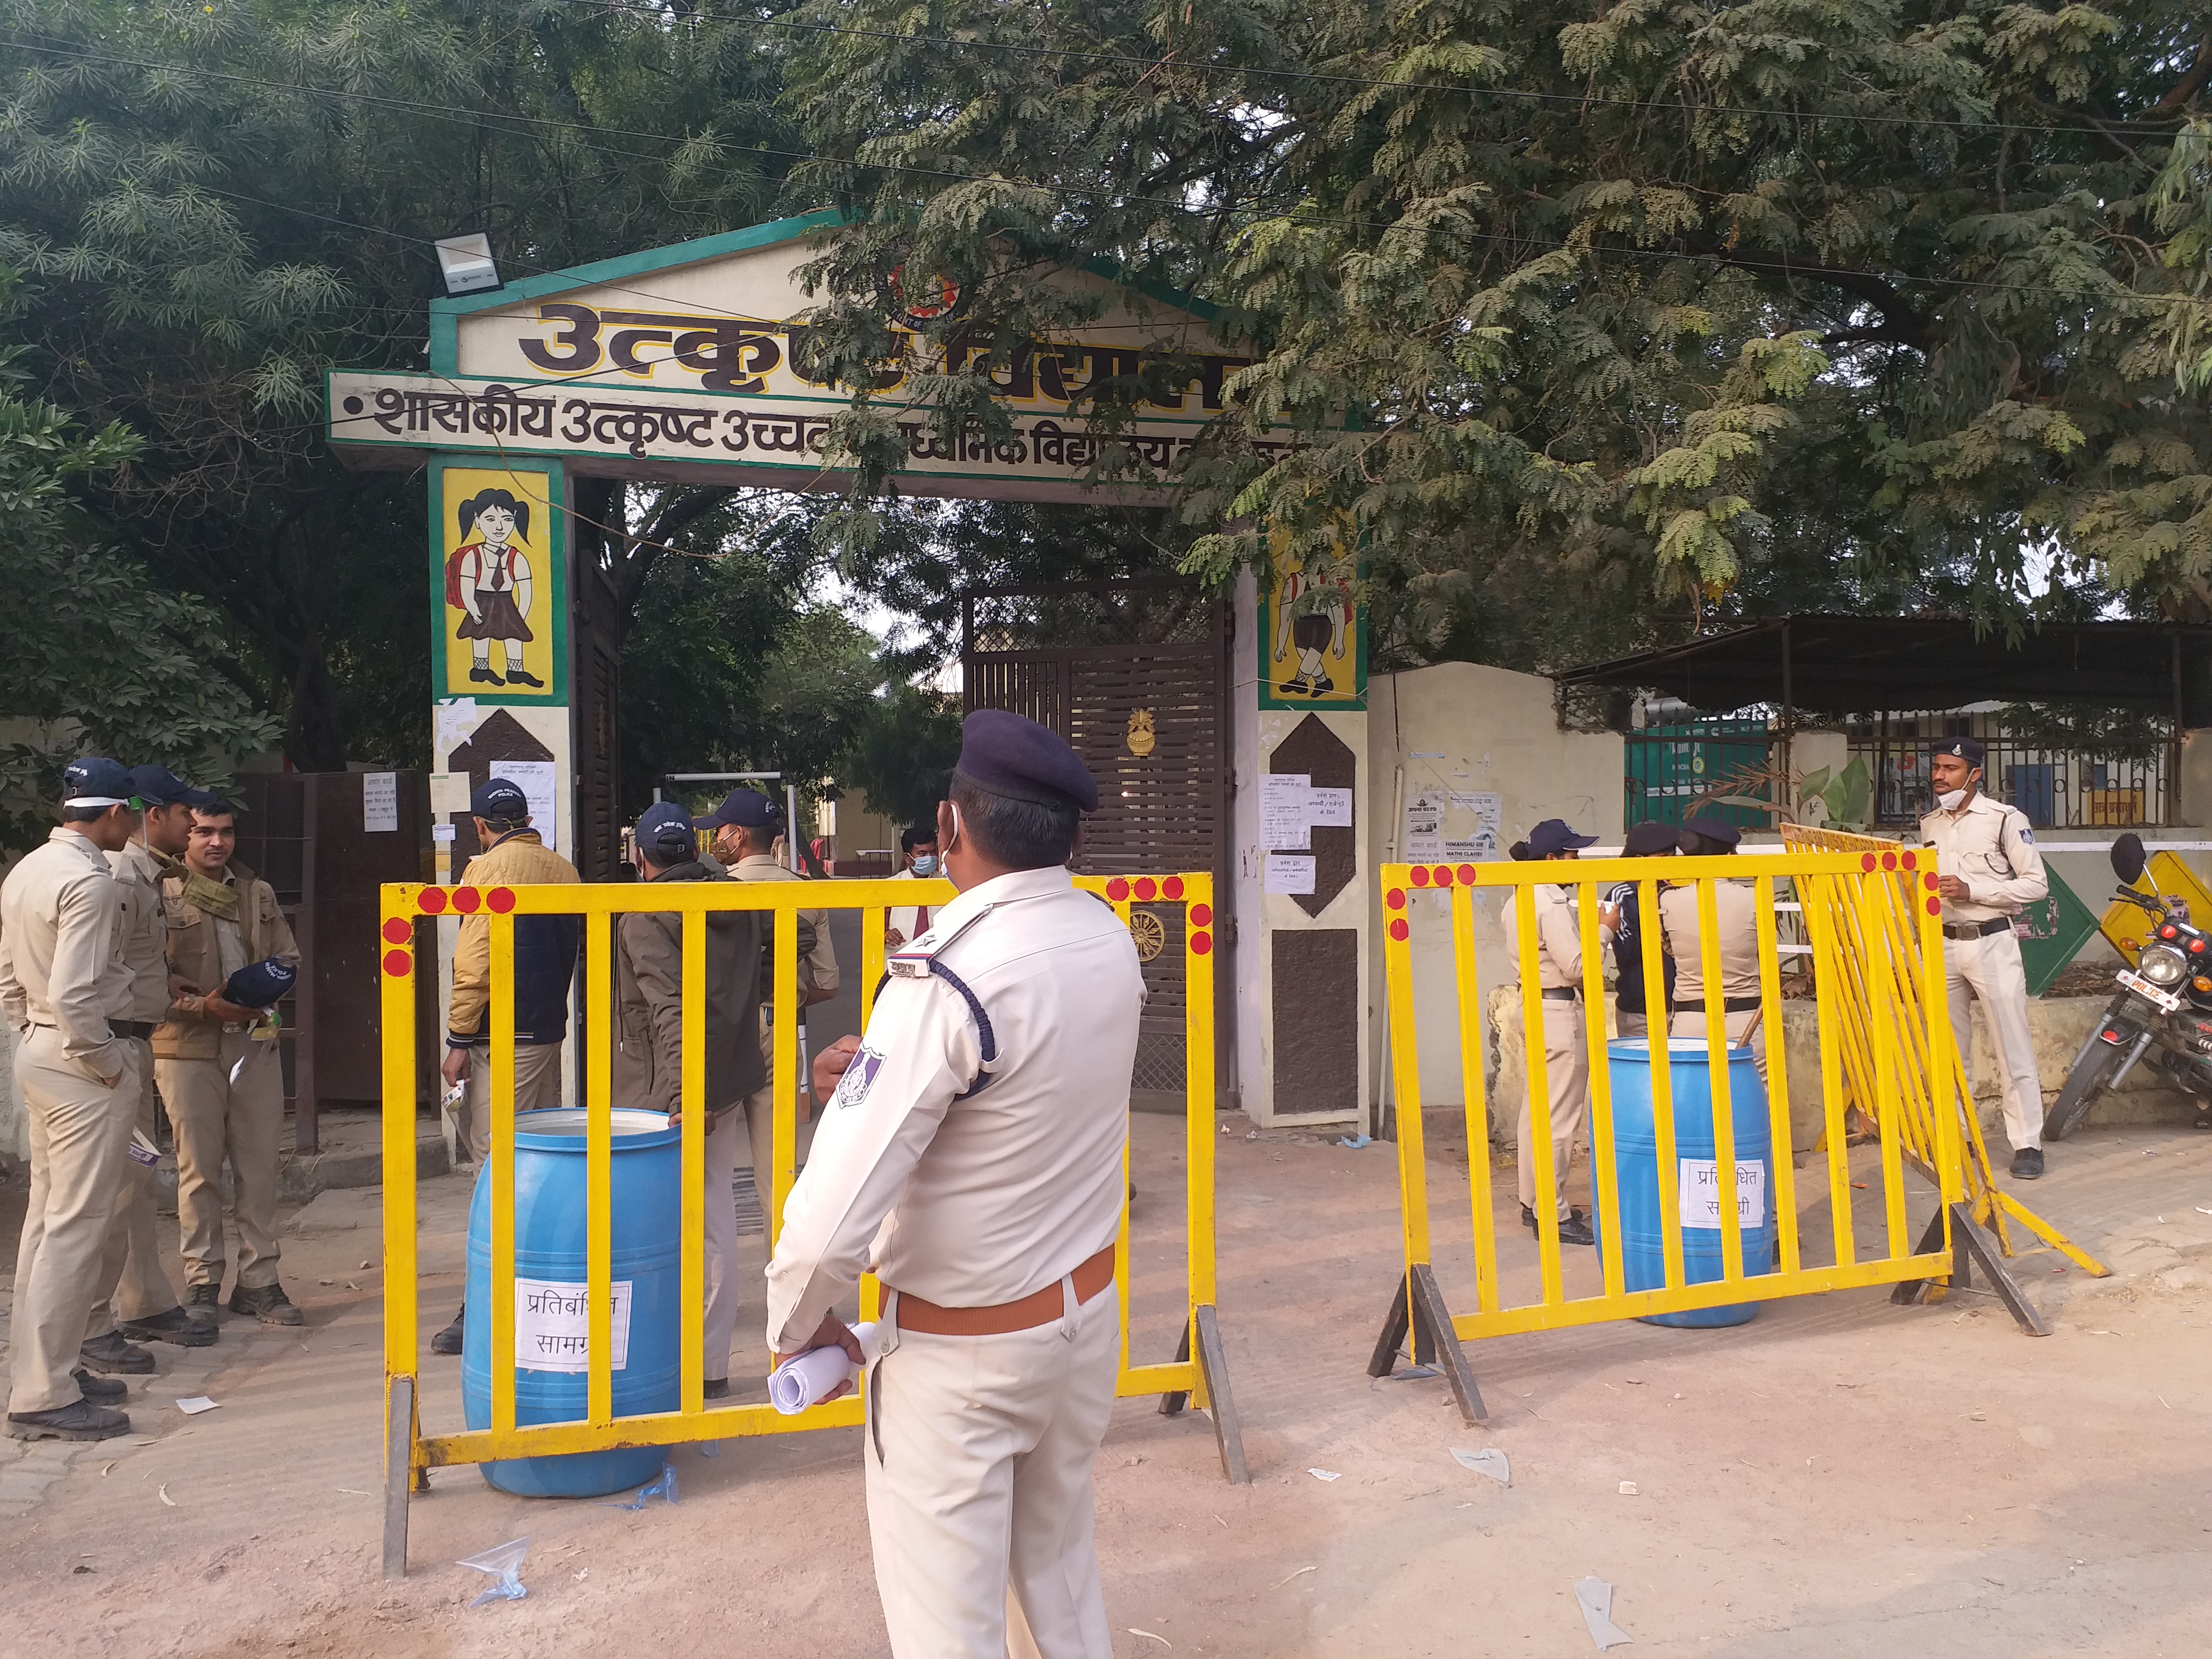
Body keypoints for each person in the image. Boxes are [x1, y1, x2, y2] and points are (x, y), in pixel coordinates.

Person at [769, 709, 1144, 1659]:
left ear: (948, 829)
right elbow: (1024, 1096)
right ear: (1074, 836)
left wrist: (802, 1323)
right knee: (1060, 1581)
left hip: (961, 1361)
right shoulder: (1107, 938)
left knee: (951, 1630)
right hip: (1081, 1321)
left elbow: (829, 1225)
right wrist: (872, 1077)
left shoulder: (948, 980)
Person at [3, 758, 143, 1441]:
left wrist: (40, 1035)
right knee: (74, 1230)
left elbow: (8, 981)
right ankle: (44, 1391)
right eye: (133, 813)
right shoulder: (90, 881)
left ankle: (43, 1369)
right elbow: (75, 993)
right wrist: (107, 1062)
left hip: (38, 1047)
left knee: (45, 1225)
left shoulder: (28, 869)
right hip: (81, 1058)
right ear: (115, 814)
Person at [613, 803, 764, 1399]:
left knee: (674, 1224)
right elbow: (798, 932)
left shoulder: (647, 914)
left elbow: (669, 1010)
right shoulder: (735, 898)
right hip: (725, 1076)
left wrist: (685, 1092)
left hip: (673, 1091)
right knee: (715, 1212)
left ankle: (674, 1369)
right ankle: (709, 1363)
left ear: (643, 858)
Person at [430, 777, 582, 1356]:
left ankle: (486, 1304)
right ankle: (536, 1290)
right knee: (540, 1164)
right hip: (546, 1035)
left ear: (481, 825)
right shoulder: (562, 868)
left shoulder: (487, 871)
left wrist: (458, 1039)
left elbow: (474, 963)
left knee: (498, 1168)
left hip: (501, 1037)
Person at [88, 767, 223, 1357]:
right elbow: (92, 971)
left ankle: (145, 1301)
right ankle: (96, 1326)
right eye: (182, 813)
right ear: (153, 815)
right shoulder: (118, 876)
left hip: (137, 1039)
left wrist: (164, 981)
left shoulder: (145, 873)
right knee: (113, 1192)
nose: (193, 824)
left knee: (138, 1184)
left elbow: (131, 960)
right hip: (112, 1047)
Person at [153, 800, 303, 1326]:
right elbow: (143, 978)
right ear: (185, 836)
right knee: (198, 1172)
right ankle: (202, 1283)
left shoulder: (255, 893)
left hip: (253, 1042)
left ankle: (261, 1282)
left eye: (226, 832)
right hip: (185, 1046)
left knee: (260, 1167)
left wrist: (263, 990)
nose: (217, 843)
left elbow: (289, 958)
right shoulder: (159, 890)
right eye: (203, 832)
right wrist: (201, 1007)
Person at [695, 788, 838, 1199]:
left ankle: (711, 1263)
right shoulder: (805, 891)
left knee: (708, 1166)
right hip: (779, 1024)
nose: (717, 840)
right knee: (779, 1166)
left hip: (721, 1030)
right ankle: (783, 1257)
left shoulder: (712, 893)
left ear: (737, 836)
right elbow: (828, 985)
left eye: (720, 831)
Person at [1921, 737, 2049, 1179]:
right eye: (1937, 767)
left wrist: (1973, 890)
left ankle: (2027, 1142)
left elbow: (2036, 885)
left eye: (1951, 769)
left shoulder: (2005, 820)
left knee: (2011, 1044)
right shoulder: (1930, 824)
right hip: (1942, 943)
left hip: (1992, 940)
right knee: (1949, 1049)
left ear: (1974, 773)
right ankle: (1958, 1135)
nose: (1940, 776)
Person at [1507, 818, 1619, 1249]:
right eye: (1572, 855)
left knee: (1537, 1112)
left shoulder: (1519, 893)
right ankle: (1551, 1213)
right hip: (1556, 1009)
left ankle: (1533, 1200)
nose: (1578, 861)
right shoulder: (1549, 902)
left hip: (1533, 1003)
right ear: (1551, 860)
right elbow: (1576, 966)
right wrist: (1604, 927)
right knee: (1558, 1120)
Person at [1660, 814, 1768, 1078]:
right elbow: (1764, 949)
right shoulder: (1755, 898)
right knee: (1754, 1102)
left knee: (1690, 1104)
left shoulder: (1667, 902)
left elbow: (1668, 946)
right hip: (1746, 1018)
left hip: (1690, 1021)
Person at [446, 488, 543, 687]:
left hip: (507, 602)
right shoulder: (473, 556)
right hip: (482, 600)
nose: (499, 527)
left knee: (514, 635)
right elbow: (467, 584)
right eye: (491, 519)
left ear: (515, 520)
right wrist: (472, 608)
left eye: (507, 520)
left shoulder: (516, 557)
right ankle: (481, 670)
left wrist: (522, 614)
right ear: (477, 521)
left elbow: (526, 589)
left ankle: (516, 671)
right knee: (480, 634)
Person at [1606, 821, 1679, 1040]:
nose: (1671, 862)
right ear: (1639, 860)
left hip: (1683, 1006)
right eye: (1663, 857)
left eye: (1673, 855)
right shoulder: (1621, 896)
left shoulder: (1681, 890)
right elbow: (1628, 952)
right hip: (1641, 1010)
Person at [884, 822, 943, 950]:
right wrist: (887, 934)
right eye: (922, 854)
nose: (930, 858)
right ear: (908, 858)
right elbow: (876, 926)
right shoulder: (891, 886)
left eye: (933, 852)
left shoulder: (947, 885)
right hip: (901, 956)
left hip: (938, 956)